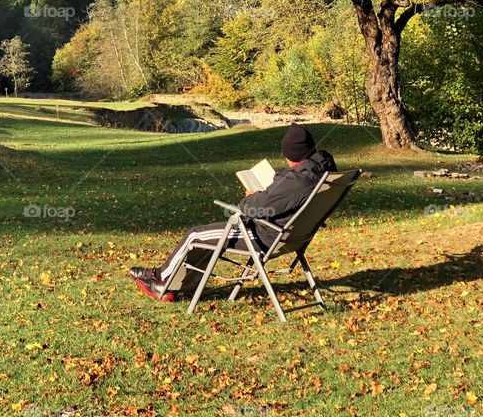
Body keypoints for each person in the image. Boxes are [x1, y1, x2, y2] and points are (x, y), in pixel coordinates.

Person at [129, 123, 338, 302]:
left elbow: (252, 207)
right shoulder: (321, 170)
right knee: (209, 235)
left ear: (292, 155)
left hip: (264, 235)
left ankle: (162, 284)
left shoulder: (296, 181)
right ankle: (164, 275)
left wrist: (251, 196)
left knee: (196, 234)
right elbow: (284, 198)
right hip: (292, 236)